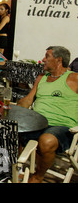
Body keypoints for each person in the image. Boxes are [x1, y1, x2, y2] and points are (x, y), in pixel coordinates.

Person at [18, 46, 78, 183]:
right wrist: (11, 109)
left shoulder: (74, 78)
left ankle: (38, 176)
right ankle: (17, 170)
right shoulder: (41, 78)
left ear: (58, 60)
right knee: (10, 131)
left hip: (62, 127)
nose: (43, 59)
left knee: (46, 141)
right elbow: (28, 100)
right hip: (37, 122)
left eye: (47, 56)